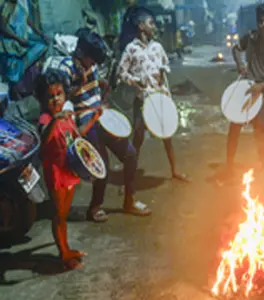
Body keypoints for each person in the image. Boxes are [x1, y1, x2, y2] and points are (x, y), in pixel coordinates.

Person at [48, 30, 151, 222]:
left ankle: (129, 201)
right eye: (92, 60)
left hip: (101, 116)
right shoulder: (66, 69)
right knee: (101, 164)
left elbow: (95, 84)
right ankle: (95, 206)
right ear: (81, 53)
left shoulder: (91, 65)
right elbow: (61, 100)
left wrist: (101, 85)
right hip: (86, 122)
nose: (94, 65)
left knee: (130, 155)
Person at [36, 70, 101, 270]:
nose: (56, 99)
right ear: (43, 99)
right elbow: (44, 138)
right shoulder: (46, 119)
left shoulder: (68, 116)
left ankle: (66, 248)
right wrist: (56, 118)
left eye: (59, 94)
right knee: (59, 214)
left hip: (68, 170)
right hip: (55, 173)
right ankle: (63, 254)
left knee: (63, 214)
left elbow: (77, 135)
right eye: (51, 96)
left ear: (65, 95)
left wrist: (93, 119)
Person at [118, 11, 190, 182]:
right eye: (151, 23)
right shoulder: (131, 49)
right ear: (141, 26)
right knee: (138, 137)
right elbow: (121, 73)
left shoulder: (158, 47)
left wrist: (163, 75)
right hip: (142, 100)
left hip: (160, 98)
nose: (154, 26)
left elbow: (165, 66)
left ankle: (175, 170)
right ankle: (130, 174)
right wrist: (136, 81)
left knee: (167, 135)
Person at [219, 3, 264, 180]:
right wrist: (240, 65)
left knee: (259, 131)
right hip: (246, 89)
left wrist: (262, 86)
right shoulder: (250, 38)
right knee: (234, 126)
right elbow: (235, 49)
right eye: (261, 21)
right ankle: (229, 165)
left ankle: (261, 165)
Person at [0, 0, 49, 100]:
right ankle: (16, 95)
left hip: (22, 43)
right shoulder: (7, 6)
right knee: (15, 75)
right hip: (11, 46)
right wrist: (18, 39)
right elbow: (3, 26)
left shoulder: (19, 6)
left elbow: (27, 20)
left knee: (41, 46)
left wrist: (40, 33)